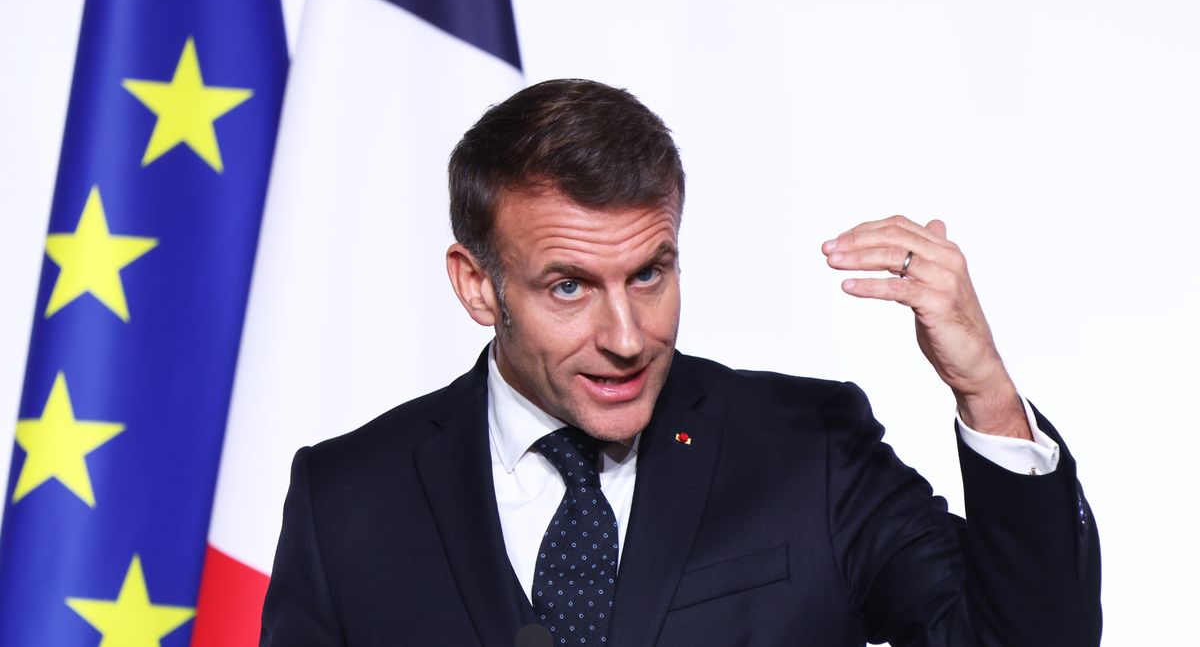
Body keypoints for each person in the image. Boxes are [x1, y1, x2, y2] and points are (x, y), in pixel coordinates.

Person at [260, 79, 1101, 646]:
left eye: (649, 274)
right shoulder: (346, 501)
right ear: (478, 285)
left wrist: (984, 388)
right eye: (569, 286)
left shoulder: (809, 450)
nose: (627, 336)